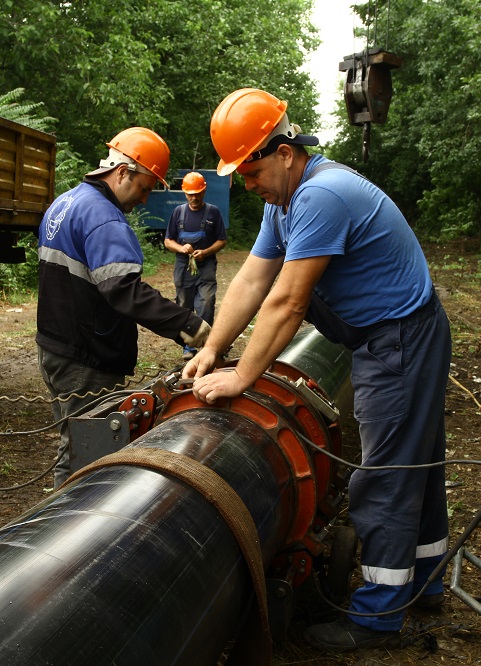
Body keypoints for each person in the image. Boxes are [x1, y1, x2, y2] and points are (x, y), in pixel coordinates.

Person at [184, 88, 452, 650]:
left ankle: (378, 621)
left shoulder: (321, 196)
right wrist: (212, 347)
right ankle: (423, 584)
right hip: (396, 333)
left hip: (398, 339)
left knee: (386, 475)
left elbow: (287, 302)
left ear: (284, 152)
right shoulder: (283, 202)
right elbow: (253, 280)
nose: (246, 184)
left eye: (250, 170)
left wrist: (240, 378)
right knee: (415, 461)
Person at [37, 127, 211, 488]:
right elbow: (123, 290)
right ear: (122, 172)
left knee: (71, 442)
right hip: (85, 356)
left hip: (54, 346)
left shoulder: (66, 201)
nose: (145, 199)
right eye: (145, 188)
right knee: (88, 453)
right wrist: (189, 324)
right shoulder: (104, 217)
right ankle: (70, 531)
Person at [163, 171, 227, 360]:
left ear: (204, 191)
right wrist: (181, 248)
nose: (194, 197)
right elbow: (168, 241)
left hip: (206, 267)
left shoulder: (213, 212)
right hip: (183, 268)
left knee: (206, 303)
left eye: (197, 193)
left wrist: (205, 252)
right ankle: (188, 346)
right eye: (190, 193)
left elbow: (222, 240)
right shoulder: (178, 213)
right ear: (184, 193)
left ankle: (208, 346)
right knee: (184, 306)